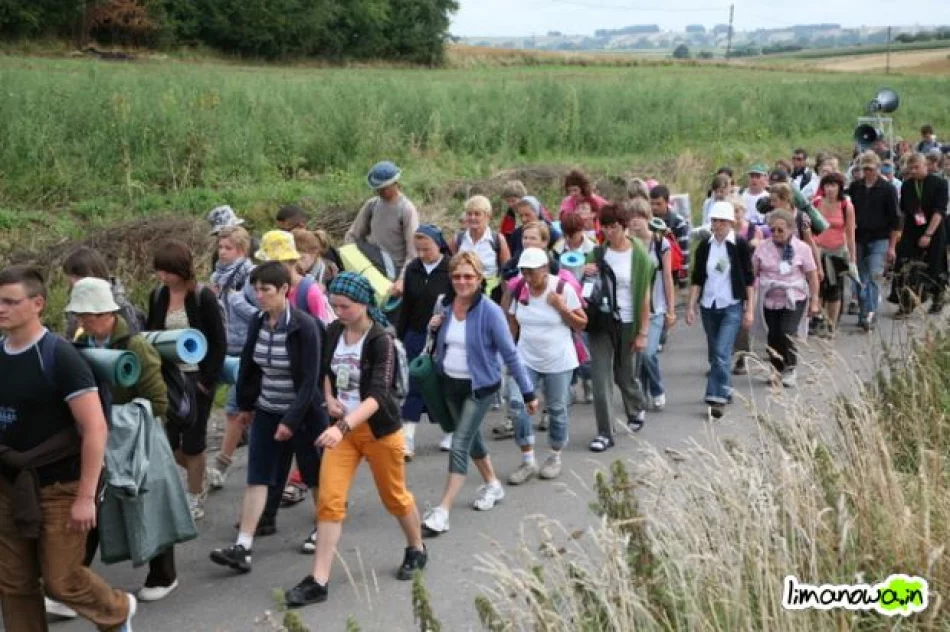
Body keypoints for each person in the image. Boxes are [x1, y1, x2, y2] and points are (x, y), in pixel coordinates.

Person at [0, 265, 136, 632]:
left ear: (37, 304)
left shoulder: (59, 357)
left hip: (62, 486)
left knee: (62, 581)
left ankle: (117, 610)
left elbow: (94, 427)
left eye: (10, 302)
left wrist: (86, 497)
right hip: (10, 485)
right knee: (14, 583)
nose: (1, 309)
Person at [283, 272, 427, 607]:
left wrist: (341, 425)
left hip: (378, 431)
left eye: (345, 307)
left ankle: (417, 547)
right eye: (334, 306)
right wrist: (328, 397)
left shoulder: (381, 340)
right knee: (329, 501)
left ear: (363, 304)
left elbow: (378, 394)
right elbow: (326, 371)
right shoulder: (334, 330)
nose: (338, 312)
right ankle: (319, 580)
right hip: (343, 430)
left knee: (394, 498)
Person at [210, 262, 327, 574]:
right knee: (258, 475)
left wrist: (290, 421)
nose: (259, 296)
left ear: (284, 290)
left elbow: (309, 381)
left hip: (304, 414)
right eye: (256, 289)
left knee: (314, 474)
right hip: (266, 409)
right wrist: (246, 405)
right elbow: (249, 365)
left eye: (266, 290)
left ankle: (324, 528)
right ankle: (243, 545)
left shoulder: (306, 326)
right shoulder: (259, 322)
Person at [69, 278, 179, 603]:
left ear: (107, 313)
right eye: (80, 315)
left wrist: (110, 416)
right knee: (95, 505)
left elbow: (158, 403)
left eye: (88, 315)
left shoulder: (136, 346)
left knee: (147, 505)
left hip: (137, 441)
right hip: (102, 441)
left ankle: (165, 574)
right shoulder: (82, 341)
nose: (83, 321)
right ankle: (71, 579)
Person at [420, 252, 539, 535]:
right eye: (457, 276)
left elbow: (510, 353)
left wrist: (528, 392)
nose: (462, 282)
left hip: (480, 387)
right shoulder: (444, 305)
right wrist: (432, 327)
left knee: (459, 442)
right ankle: (493, 485)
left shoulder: (490, 311)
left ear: (479, 278)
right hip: (449, 382)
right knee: (470, 438)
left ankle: (443, 511)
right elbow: (436, 342)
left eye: (468, 276)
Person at [253, 231, 334, 547]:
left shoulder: (309, 291)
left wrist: (323, 387)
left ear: (289, 261)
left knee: (311, 460)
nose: (268, 266)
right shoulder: (268, 292)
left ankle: (324, 519)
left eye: (273, 260)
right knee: (276, 458)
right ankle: (266, 515)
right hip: (278, 388)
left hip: (307, 387)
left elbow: (325, 331)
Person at [146, 239, 227, 521]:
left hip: (198, 378)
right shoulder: (157, 296)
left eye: (168, 271)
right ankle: (203, 471)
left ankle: (195, 496)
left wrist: (207, 381)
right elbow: (150, 335)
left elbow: (219, 341)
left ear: (181, 269)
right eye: (159, 271)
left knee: (194, 441)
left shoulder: (203, 296)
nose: (162, 277)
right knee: (168, 443)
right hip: (170, 378)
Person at [503, 248, 586, 485]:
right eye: (524, 272)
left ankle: (554, 456)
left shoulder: (562, 289)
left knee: (557, 409)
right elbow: (512, 319)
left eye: (532, 273)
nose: (527, 278)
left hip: (558, 360)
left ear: (544, 269)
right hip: (526, 359)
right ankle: (528, 460)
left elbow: (582, 323)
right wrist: (509, 350)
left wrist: (561, 307)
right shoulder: (519, 289)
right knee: (518, 404)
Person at [583, 204, 653, 452]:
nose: (610, 232)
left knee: (625, 374)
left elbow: (644, 296)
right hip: (601, 324)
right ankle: (605, 432)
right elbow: (585, 291)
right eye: (606, 226)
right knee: (600, 378)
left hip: (628, 322)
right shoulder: (598, 254)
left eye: (614, 227)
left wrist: (643, 332)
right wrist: (586, 273)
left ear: (623, 227)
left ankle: (636, 407)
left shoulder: (639, 255)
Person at [685, 202, 755, 419]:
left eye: (722, 221)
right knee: (716, 352)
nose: (717, 225)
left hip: (731, 305)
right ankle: (725, 388)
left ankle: (716, 398)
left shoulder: (739, 245)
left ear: (731, 223)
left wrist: (749, 309)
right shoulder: (705, 246)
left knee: (722, 352)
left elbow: (749, 279)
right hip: (709, 305)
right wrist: (691, 306)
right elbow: (697, 278)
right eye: (714, 221)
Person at [207, 226, 259, 492]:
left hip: (247, 350)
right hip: (223, 347)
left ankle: (221, 465)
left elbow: (262, 315)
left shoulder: (251, 277)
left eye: (228, 248)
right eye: (220, 247)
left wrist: (236, 302)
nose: (222, 252)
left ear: (241, 250)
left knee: (234, 408)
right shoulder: (217, 275)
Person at [398, 225, 453, 460]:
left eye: (426, 248)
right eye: (418, 249)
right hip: (416, 334)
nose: (422, 254)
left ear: (438, 244)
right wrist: (400, 337)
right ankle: (407, 437)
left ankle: (451, 430)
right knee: (412, 384)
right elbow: (406, 306)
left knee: (442, 384)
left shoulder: (451, 268)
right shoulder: (412, 269)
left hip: (445, 336)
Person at [752, 210, 821, 388]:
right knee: (773, 334)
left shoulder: (802, 248)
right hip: (770, 297)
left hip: (794, 296)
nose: (776, 234)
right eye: (772, 230)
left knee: (786, 331)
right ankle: (776, 368)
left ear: (791, 229)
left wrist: (814, 301)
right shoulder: (762, 247)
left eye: (780, 230)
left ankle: (790, 368)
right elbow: (752, 273)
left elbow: (812, 276)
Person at [344, 161, 421, 297]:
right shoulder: (372, 205)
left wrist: (402, 280)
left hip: (392, 269)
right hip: (370, 263)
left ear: (395, 183)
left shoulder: (406, 209)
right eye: (377, 188)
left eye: (384, 188)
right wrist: (349, 259)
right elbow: (353, 235)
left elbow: (413, 251)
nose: (380, 191)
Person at [628, 200, 675, 410]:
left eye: (639, 216)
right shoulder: (627, 244)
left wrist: (671, 310)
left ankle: (656, 389)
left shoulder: (660, 243)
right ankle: (643, 393)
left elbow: (667, 277)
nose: (635, 221)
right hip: (634, 308)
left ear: (648, 218)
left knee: (648, 353)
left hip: (656, 308)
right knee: (639, 355)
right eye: (631, 217)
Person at [847, 151, 901, 332]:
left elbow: (895, 220)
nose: (868, 172)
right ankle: (863, 310)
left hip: (880, 238)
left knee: (873, 274)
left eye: (871, 169)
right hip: (858, 238)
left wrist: (892, 246)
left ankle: (870, 312)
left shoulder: (887, 189)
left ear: (877, 169)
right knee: (858, 275)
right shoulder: (855, 188)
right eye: (865, 169)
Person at [894, 153, 949, 315]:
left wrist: (928, 234)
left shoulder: (939, 183)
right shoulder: (907, 185)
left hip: (934, 229)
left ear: (926, 166)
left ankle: (937, 297)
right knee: (904, 264)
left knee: (936, 265)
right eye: (910, 167)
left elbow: (939, 211)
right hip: (912, 229)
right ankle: (906, 303)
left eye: (916, 167)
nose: (913, 170)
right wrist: (900, 233)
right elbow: (904, 211)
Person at [62, 247, 142, 339]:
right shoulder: (76, 301)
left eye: (75, 277)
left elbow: (133, 338)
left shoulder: (118, 303)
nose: (71, 283)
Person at [812, 173, 857, 337]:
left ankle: (832, 324)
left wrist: (852, 259)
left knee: (835, 288)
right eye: (827, 185)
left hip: (837, 251)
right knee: (819, 287)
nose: (830, 189)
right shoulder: (816, 203)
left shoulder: (846, 206)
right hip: (819, 250)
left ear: (840, 187)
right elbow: (810, 230)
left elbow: (851, 234)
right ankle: (820, 320)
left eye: (834, 185)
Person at [448, 195, 511, 301]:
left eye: (477, 214)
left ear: (487, 216)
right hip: (464, 295)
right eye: (469, 214)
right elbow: (451, 268)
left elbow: (507, 272)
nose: (472, 218)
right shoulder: (458, 239)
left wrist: (506, 300)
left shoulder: (497, 240)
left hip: (491, 296)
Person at [649, 184, 690, 284]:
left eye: (658, 204)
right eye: (652, 204)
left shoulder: (678, 222)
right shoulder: (647, 221)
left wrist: (683, 278)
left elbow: (684, 251)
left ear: (667, 202)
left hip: (672, 273)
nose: (654, 207)